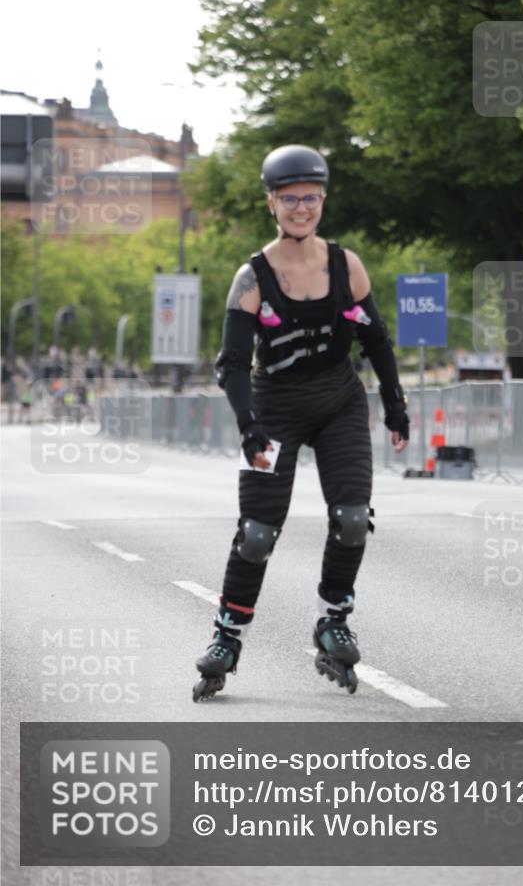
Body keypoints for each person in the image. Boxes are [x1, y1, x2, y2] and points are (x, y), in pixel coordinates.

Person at [193, 144, 410, 701]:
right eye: (289, 199)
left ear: (323, 200)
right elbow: (233, 364)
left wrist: (395, 404)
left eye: (310, 197)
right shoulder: (252, 277)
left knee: (354, 518)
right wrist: (247, 424)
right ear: (271, 204)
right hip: (273, 408)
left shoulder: (346, 265)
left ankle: (332, 617)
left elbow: (377, 340)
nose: (301, 208)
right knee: (259, 533)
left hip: (339, 401)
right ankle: (226, 637)